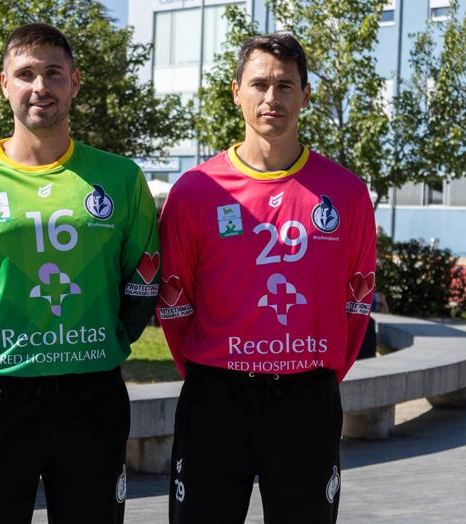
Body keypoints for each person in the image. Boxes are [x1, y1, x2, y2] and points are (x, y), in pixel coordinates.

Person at [0, 23, 160, 524]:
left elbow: (142, 285)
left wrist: (103, 340)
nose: (39, 86)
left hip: (92, 391)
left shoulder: (121, 178)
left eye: (53, 74)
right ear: (4, 83)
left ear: (75, 83)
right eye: (25, 74)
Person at [157, 33, 376, 524]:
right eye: (259, 84)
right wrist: (212, 368)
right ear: (236, 91)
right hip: (216, 396)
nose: (271, 98)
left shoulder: (345, 193)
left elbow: (356, 300)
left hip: (307, 397)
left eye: (284, 85)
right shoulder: (196, 190)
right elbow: (174, 302)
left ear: (306, 94)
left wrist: (318, 370)